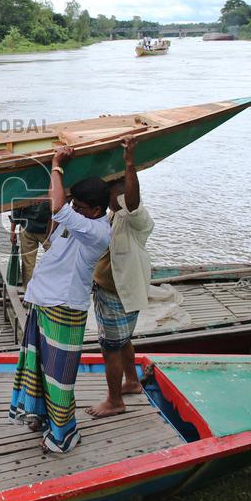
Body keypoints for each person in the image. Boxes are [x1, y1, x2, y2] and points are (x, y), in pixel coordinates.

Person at [8, 147, 112, 454]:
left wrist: (56, 165)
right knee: (39, 367)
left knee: (60, 377)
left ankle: (66, 434)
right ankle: (40, 416)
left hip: (65, 308)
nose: (73, 209)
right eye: (73, 205)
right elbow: (58, 214)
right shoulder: (80, 218)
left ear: (95, 210)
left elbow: (56, 207)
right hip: (44, 301)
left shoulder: (96, 231)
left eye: (79, 206)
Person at [86, 136, 154, 419]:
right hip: (109, 292)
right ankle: (133, 382)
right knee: (123, 340)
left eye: (112, 192)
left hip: (118, 295)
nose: (108, 196)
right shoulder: (112, 216)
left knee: (110, 347)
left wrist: (129, 162)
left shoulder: (135, 217)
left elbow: (133, 198)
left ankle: (114, 400)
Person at [9, 198, 51, 286]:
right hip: (48, 230)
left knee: (28, 264)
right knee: (56, 261)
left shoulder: (26, 187)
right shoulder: (54, 186)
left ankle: (28, 295)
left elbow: (17, 207)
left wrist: (12, 230)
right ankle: (53, 292)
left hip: (28, 228)